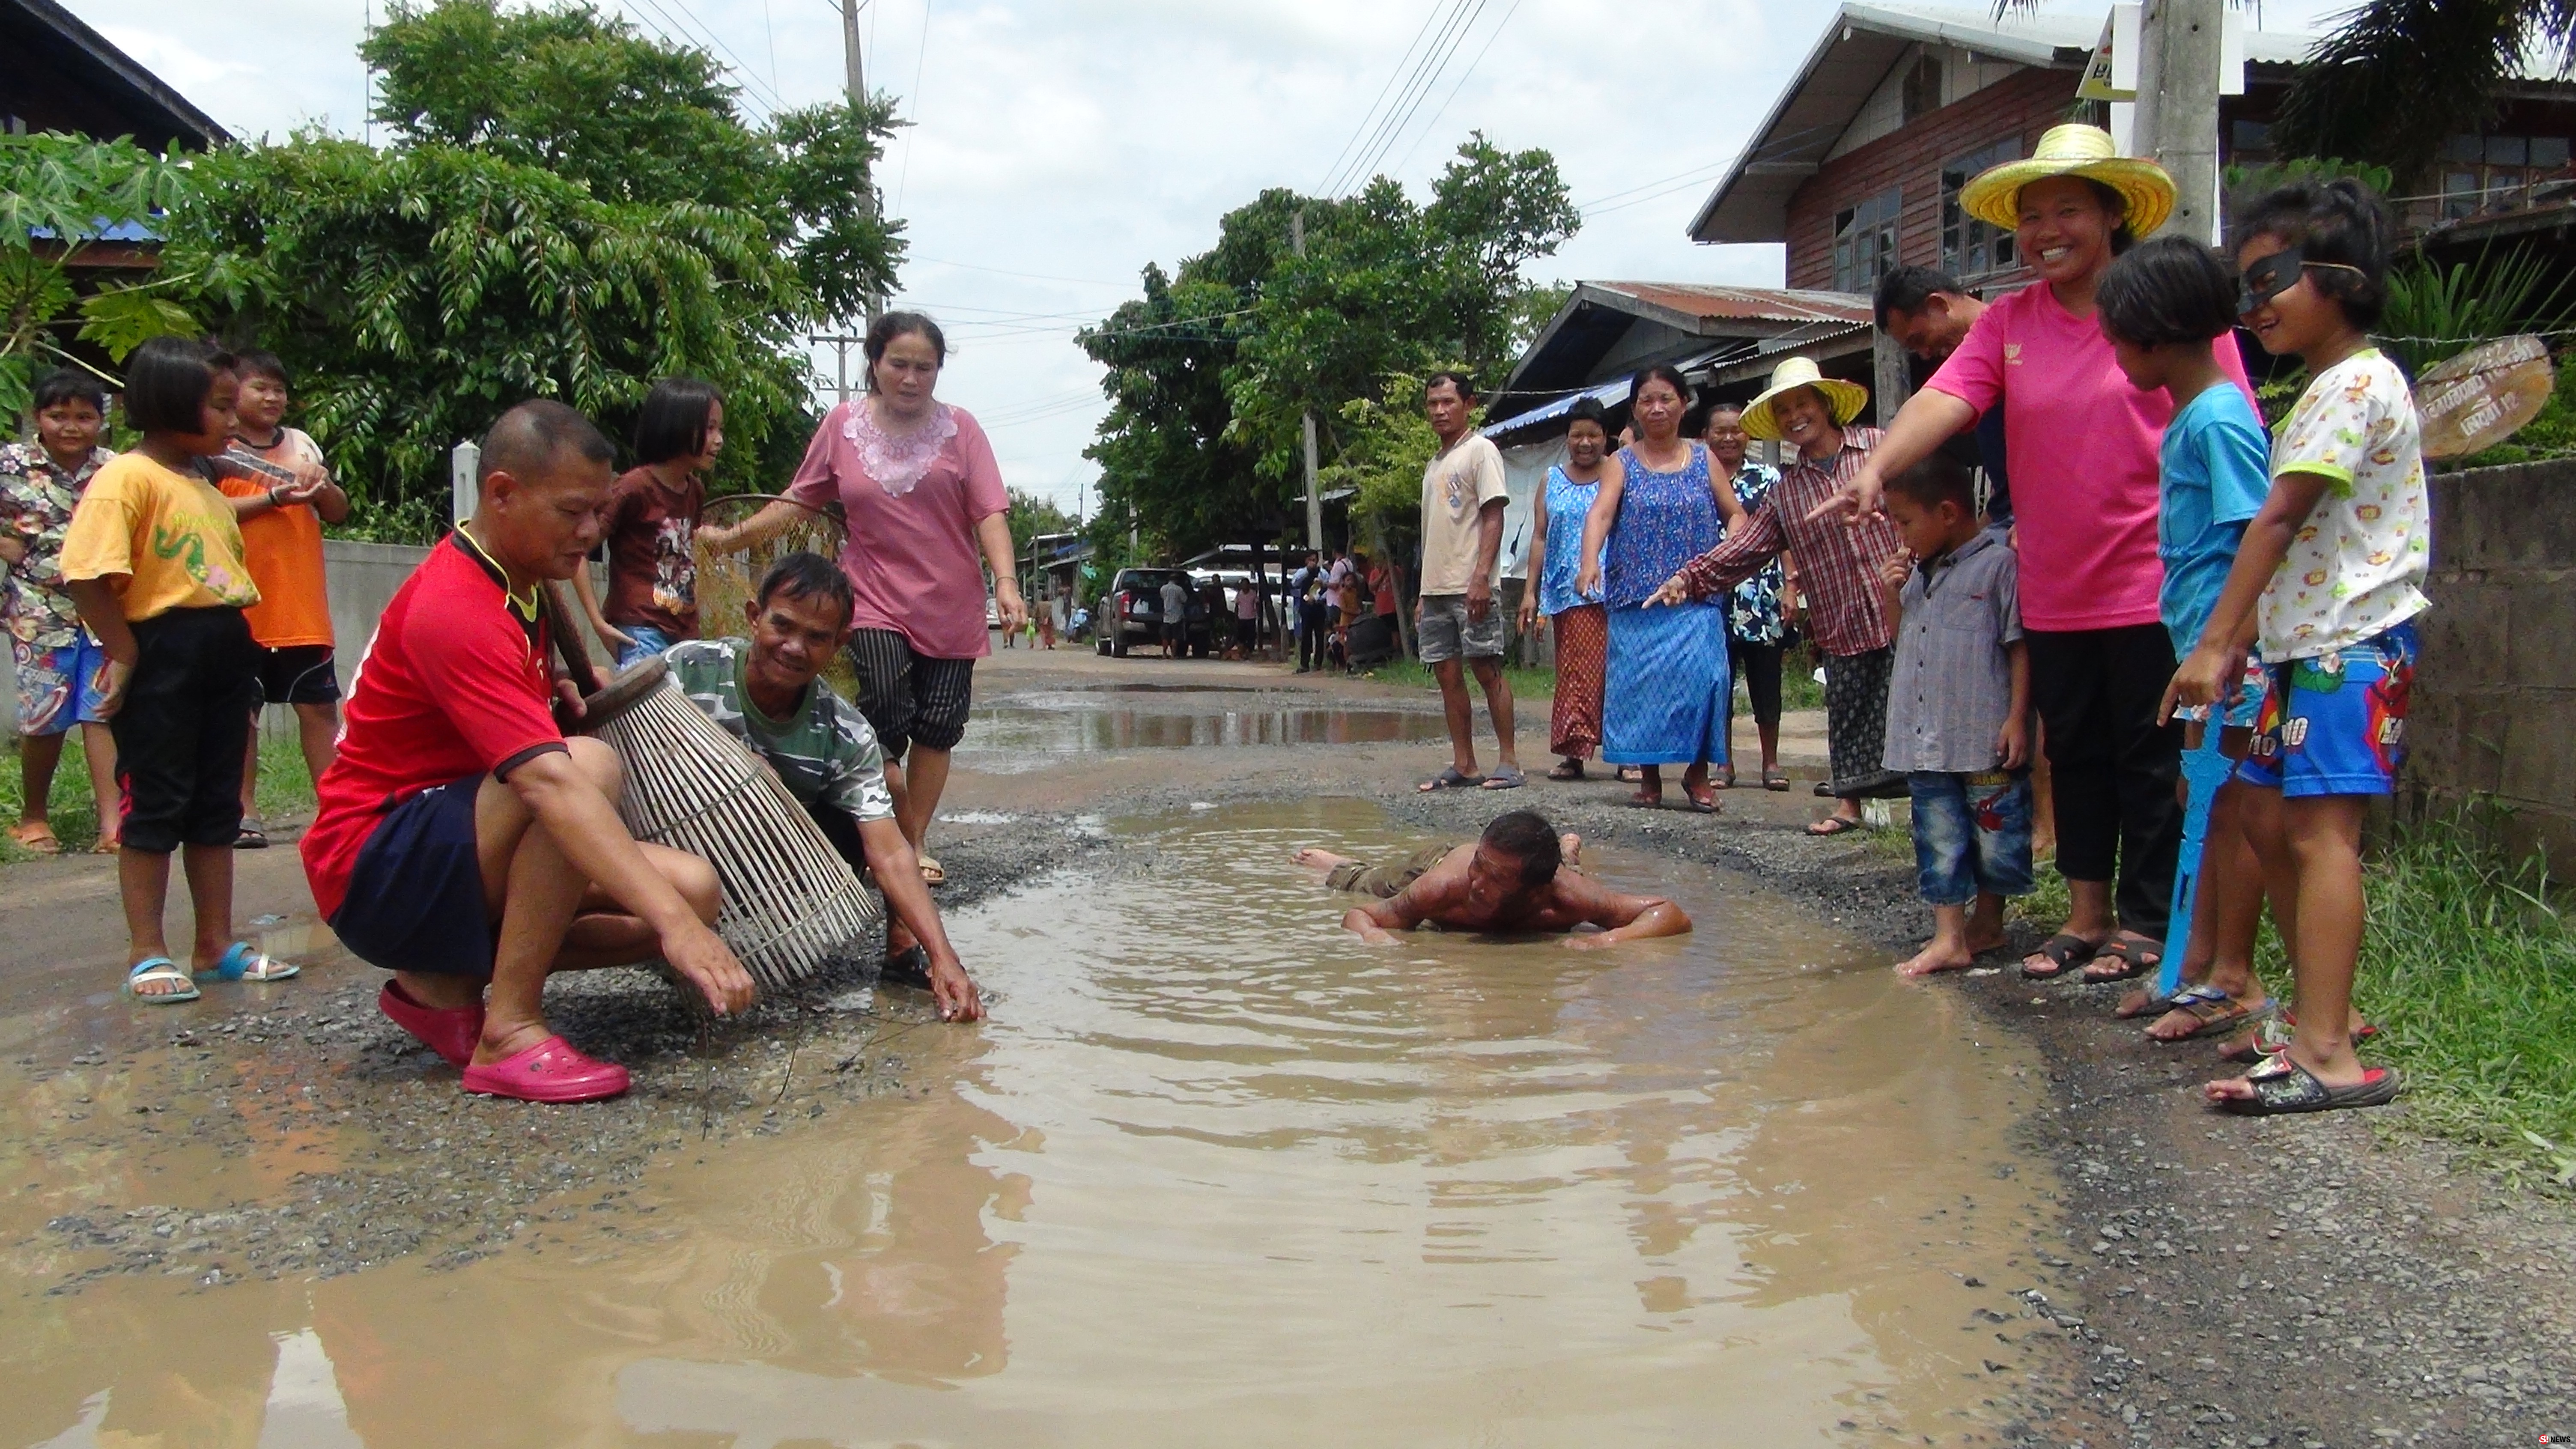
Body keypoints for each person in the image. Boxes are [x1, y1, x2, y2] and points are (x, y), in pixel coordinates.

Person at [1815, 124, 2255, 977]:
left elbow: (2230, 431)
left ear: (2109, 216)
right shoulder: (2009, 322)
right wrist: (1878, 472)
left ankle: (2144, 924)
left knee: (2147, 758)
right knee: (2076, 756)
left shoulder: (2171, 314)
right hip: (2052, 586)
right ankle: (2085, 915)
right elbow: (1944, 399)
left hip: (2153, 585)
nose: (2045, 231)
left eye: (2066, 211)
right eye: (2030, 217)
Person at [301, 400, 755, 1101]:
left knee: (692, 889)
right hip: (373, 867)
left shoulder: (521, 578)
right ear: (502, 493)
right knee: (583, 770)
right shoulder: (456, 601)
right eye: (572, 510)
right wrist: (675, 935)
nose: (590, 532)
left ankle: (444, 986)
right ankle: (508, 1028)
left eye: (599, 511)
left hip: (450, 839)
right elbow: (546, 784)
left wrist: (559, 691)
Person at [2168, 179, 2421, 1116]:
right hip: (2304, 647)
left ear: (2338, 276)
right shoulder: (2332, 384)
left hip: (2345, 648)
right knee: (2272, 823)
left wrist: (2214, 640)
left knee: (2319, 837)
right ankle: (2326, 1014)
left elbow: (2275, 520)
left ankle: (2324, 1054)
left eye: (2268, 278)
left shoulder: (2353, 381)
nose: (2253, 304)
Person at [702, 313, 1025, 891]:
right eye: (898, 364)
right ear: (874, 363)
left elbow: (989, 512)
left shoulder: (963, 430)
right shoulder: (843, 425)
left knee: (938, 726)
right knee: (883, 708)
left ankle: (913, 840)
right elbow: (799, 500)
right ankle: (879, 827)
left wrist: (1006, 582)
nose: (910, 377)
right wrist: (731, 538)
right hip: (871, 594)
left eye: (924, 368)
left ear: (938, 372)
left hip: (951, 602)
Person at [59, 337, 297, 1002]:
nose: (232, 420)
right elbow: (85, 574)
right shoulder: (125, 479)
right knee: (157, 801)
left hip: (224, 642)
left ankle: (215, 944)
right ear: (170, 405)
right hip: (163, 648)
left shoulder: (201, 480)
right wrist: (124, 651)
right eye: (220, 406)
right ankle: (148, 951)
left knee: (216, 802)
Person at [664, 552, 983, 1020]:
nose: (794, 647)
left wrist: (944, 956)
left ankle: (901, 943)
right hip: (669, 837)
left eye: (816, 638)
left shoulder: (845, 732)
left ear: (839, 644)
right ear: (755, 618)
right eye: (782, 626)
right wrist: (730, 762)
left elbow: (891, 854)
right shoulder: (686, 670)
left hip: (770, 859)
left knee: (889, 787)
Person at [2096, 236, 2278, 1040]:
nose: (2112, 353)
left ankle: (2231, 975)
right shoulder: (2191, 416)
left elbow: (2255, 537)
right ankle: (2193, 965)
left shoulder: (2219, 420)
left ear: (2155, 332)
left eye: (2116, 336)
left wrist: (2224, 642)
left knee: (2229, 804)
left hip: (2228, 650)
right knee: (2198, 796)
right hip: (2199, 647)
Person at [1648, 357, 1904, 833]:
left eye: (1801, 404)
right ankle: (1849, 806)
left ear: (1825, 405)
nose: (1794, 417)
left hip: (1906, 603)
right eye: (1783, 411)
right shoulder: (1786, 492)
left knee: (1921, 702)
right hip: (1841, 613)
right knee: (1848, 706)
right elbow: (1745, 548)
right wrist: (1689, 578)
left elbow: (1927, 490)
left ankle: (1942, 805)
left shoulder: (1879, 448)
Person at [1877, 457, 2031, 977]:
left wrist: (2017, 718)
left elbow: (2018, 646)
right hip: (1926, 736)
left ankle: (1987, 924)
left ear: (1946, 512)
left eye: (1903, 522)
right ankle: (1949, 935)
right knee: (1937, 834)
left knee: (1997, 836)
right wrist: (1890, 596)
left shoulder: (1998, 566)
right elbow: (1903, 641)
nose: (1900, 535)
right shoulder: (1920, 575)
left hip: (1982, 731)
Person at [1573, 367, 1738, 810]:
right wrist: (1589, 562)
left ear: (1684, 404)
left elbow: (1734, 514)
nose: (1657, 408)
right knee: (1642, 687)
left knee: (1707, 679)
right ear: (1635, 410)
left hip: (1696, 595)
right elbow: (1601, 515)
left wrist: (1735, 552)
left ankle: (1697, 775)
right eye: (1646, 400)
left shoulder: (1705, 458)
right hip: (1635, 597)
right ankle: (1649, 779)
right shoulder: (1620, 462)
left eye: (1666, 398)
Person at [216, 349, 350, 849]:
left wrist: (320, 487)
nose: (271, 397)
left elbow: (338, 512)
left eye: (278, 389)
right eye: (260, 388)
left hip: (301, 609)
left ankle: (337, 812)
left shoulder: (301, 447)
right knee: (240, 716)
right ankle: (243, 812)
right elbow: (208, 511)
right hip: (239, 609)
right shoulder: (216, 447)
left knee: (318, 711)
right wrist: (273, 499)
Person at [2, 368, 121, 854]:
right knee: (45, 717)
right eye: (58, 416)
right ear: (37, 418)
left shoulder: (115, 470)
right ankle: (33, 818)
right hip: (37, 611)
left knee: (103, 711)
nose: (71, 427)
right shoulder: (9, 463)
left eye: (83, 417)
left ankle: (114, 826)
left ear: (100, 422)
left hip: (105, 612)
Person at [1297, 808, 1692, 947]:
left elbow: (1669, 913)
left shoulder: (1565, 899)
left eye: (1494, 879)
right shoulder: (1447, 886)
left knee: (1569, 877)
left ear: (1538, 893)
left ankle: (1565, 853)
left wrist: (1607, 942)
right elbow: (1360, 914)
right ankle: (1340, 863)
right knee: (1372, 879)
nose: (1478, 885)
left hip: (1542, 869)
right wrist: (1375, 938)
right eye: (1480, 872)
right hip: (1437, 862)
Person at [1411, 371, 1522, 791]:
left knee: (1486, 668)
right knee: (1446, 675)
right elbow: (1433, 532)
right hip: (1436, 589)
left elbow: (1494, 514)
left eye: (1448, 402)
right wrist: (1423, 594)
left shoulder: (1481, 451)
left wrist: (1481, 577)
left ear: (1468, 405)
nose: (1439, 411)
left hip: (1471, 584)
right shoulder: (1435, 463)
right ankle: (1465, 763)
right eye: (1433, 404)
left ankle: (1509, 762)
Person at [572, 377, 722, 672]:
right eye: (710, 428)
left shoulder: (695, 491)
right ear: (677, 425)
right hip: (640, 629)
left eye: (721, 429)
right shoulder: (633, 489)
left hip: (684, 633)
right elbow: (578, 548)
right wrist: (598, 621)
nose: (719, 440)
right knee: (647, 711)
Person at [1514, 397, 1611, 780]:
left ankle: (1630, 755)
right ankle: (1574, 754)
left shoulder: (1619, 475)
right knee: (1576, 674)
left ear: (1606, 437)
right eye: (1577, 436)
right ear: (1567, 438)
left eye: (1593, 435)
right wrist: (1529, 592)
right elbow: (1539, 537)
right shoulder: (1551, 480)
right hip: (1567, 593)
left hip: (1615, 590)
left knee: (1617, 672)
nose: (1585, 443)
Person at [1703, 402, 1793, 791]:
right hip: (1712, 596)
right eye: (1719, 431)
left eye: (1735, 430)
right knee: (1719, 681)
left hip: (1763, 596)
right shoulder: (1696, 476)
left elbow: (1786, 533)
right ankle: (1723, 764)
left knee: (1766, 679)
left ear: (1749, 435)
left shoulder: (1768, 478)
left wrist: (1792, 585)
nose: (1728, 438)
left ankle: (1770, 763)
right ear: (1707, 436)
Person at [1873, 265, 2010, 522]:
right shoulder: (1969, 373)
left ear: (1938, 305)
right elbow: (2007, 498)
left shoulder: (2016, 337)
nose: (1925, 353)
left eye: (1920, 339)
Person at [1291, 550, 1326, 672]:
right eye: (1311, 560)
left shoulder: (1323, 573)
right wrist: (1307, 571)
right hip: (1306, 608)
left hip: (1319, 607)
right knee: (1306, 635)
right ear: (1306, 561)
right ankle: (1304, 664)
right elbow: (1295, 583)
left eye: (1315, 560)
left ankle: (1318, 663)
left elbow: (1328, 589)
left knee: (1320, 635)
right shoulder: (1302, 572)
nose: (1313, 562)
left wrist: (1317, 598)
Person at [1159, 574, 1189, 658]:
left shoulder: (1163, 589)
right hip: (1177, 616)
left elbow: (1162, 598)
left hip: (1166, 616)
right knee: (1175, 637)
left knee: (1165, 637)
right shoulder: (1179, 589)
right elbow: (1185, 600)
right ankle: (1173, 655)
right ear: (1177, 580)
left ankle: (1164, 654)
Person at [1232, 574, 1259, 657]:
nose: (1244, 586)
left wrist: (1257, 614)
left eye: (1246, 584)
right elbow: (1237, 605)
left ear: (1249, 585)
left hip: (1251, 618)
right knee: (1242, 636)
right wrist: (1236, 616)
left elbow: (1257, 604)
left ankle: (1250, 650)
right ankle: (1243, 651)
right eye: (1243, 585)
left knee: (1251, 635)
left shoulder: (1253, 593)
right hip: (1242, 618)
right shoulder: (1239, 594)